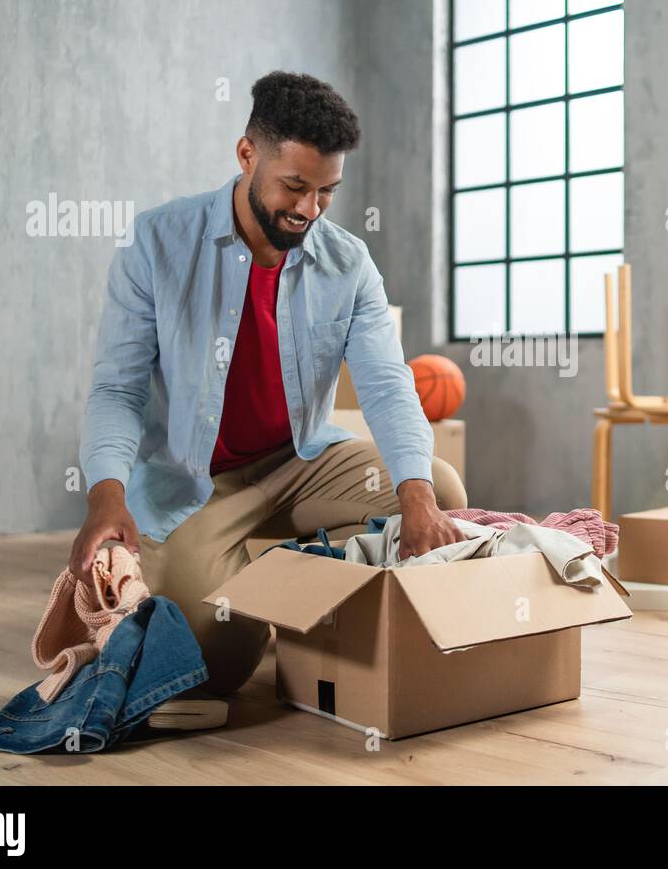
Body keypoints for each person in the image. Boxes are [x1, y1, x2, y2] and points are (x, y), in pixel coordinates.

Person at [70, 71, 467, 694]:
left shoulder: (349, 263)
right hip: (199, 482)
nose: (310, 209)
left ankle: (305, 590)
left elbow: (388, 386)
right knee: (213, 663)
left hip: (300, 461)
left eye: (328, 192)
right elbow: (118, 390)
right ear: (247, 154)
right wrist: (105, 493)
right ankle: (270, 593)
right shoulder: (156, 242)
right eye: (295, 186)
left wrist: (416, 497)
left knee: (437, 488)